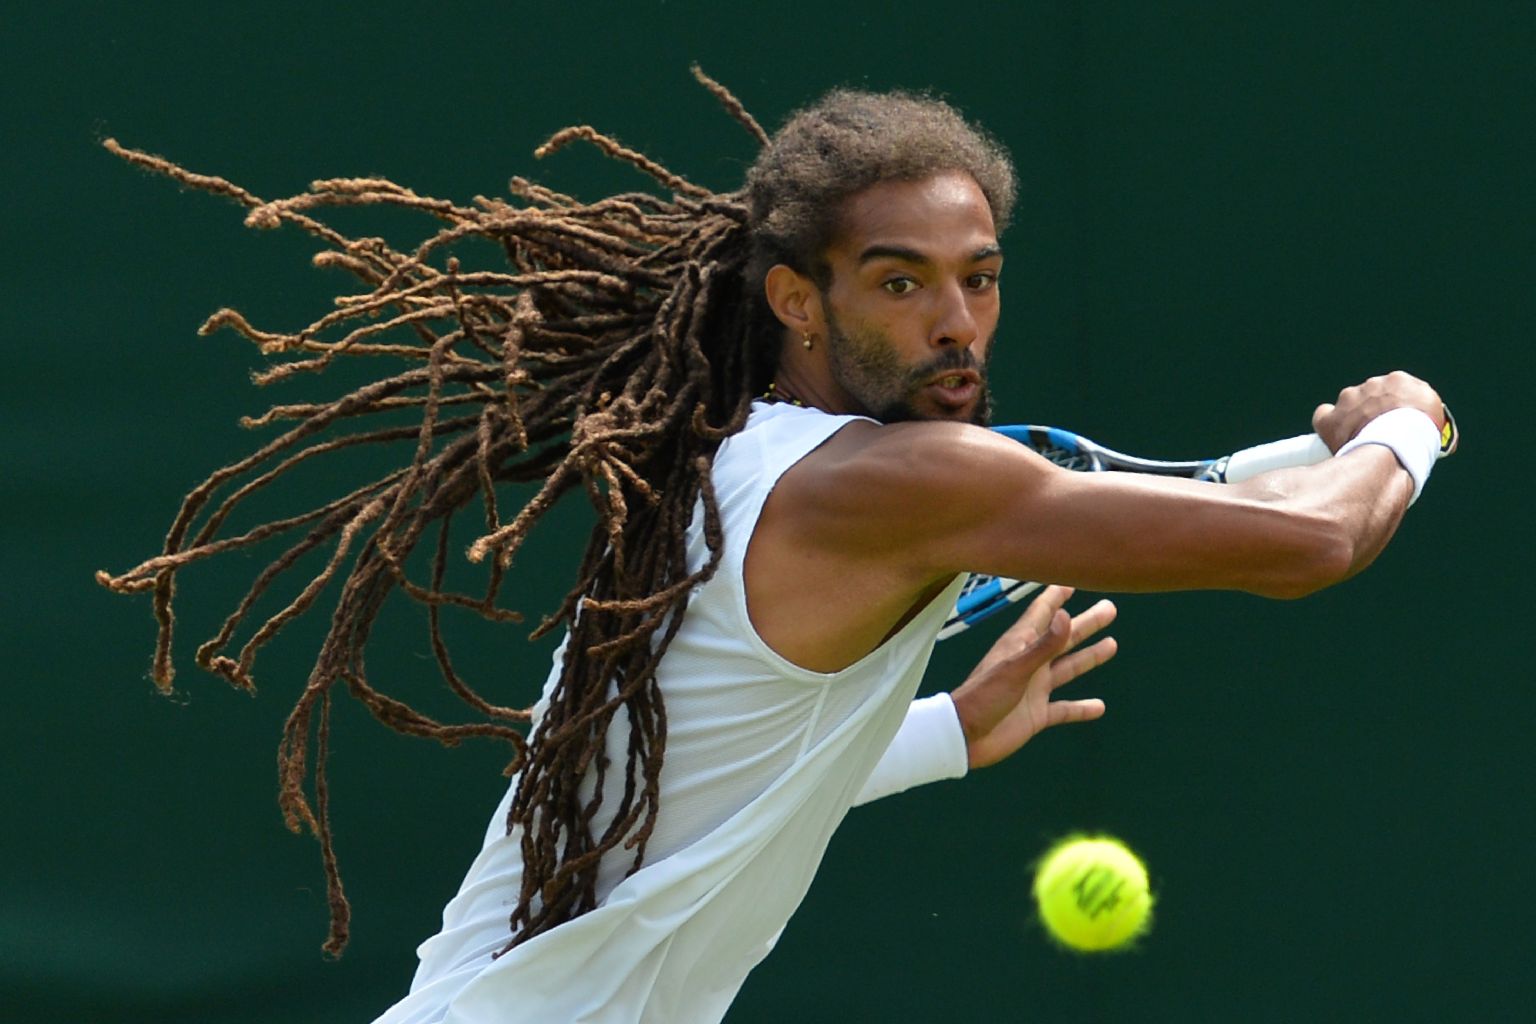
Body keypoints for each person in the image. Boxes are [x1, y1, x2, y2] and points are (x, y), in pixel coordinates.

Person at [101, 72, 1451, 1023]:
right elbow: (1314, 546)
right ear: (799, 295)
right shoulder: (897, 481)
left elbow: (692, 767)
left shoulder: (722, 468)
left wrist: (942, 734)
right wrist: (1404, 431)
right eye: (901, 281)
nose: (957, 323)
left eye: (978, 276)